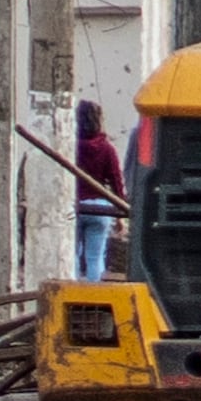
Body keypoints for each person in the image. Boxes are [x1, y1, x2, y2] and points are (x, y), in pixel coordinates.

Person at [73, 98, 126, 281]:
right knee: (95, 258)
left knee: (73, 254)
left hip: (76, 205)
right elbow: (116, 181)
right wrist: (120, 214)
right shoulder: (107, 149)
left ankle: (72, 291)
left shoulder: (72, 147)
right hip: (100, 208)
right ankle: (93, 296)